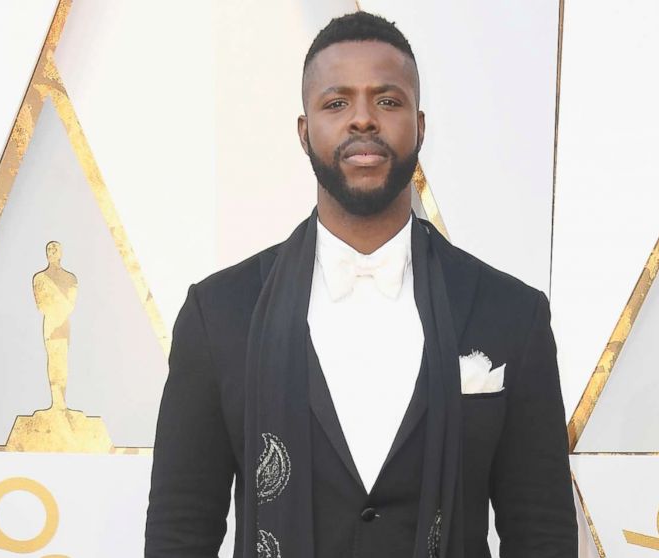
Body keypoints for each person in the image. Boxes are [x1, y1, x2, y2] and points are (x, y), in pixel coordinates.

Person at [145, 12, 577, 558]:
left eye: (388, 101)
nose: (363, 120)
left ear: (420, 127)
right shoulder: (220, 314)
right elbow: (181, 530)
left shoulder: (511, 312)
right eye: (336, 103)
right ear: (305, 132)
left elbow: (541, 531)